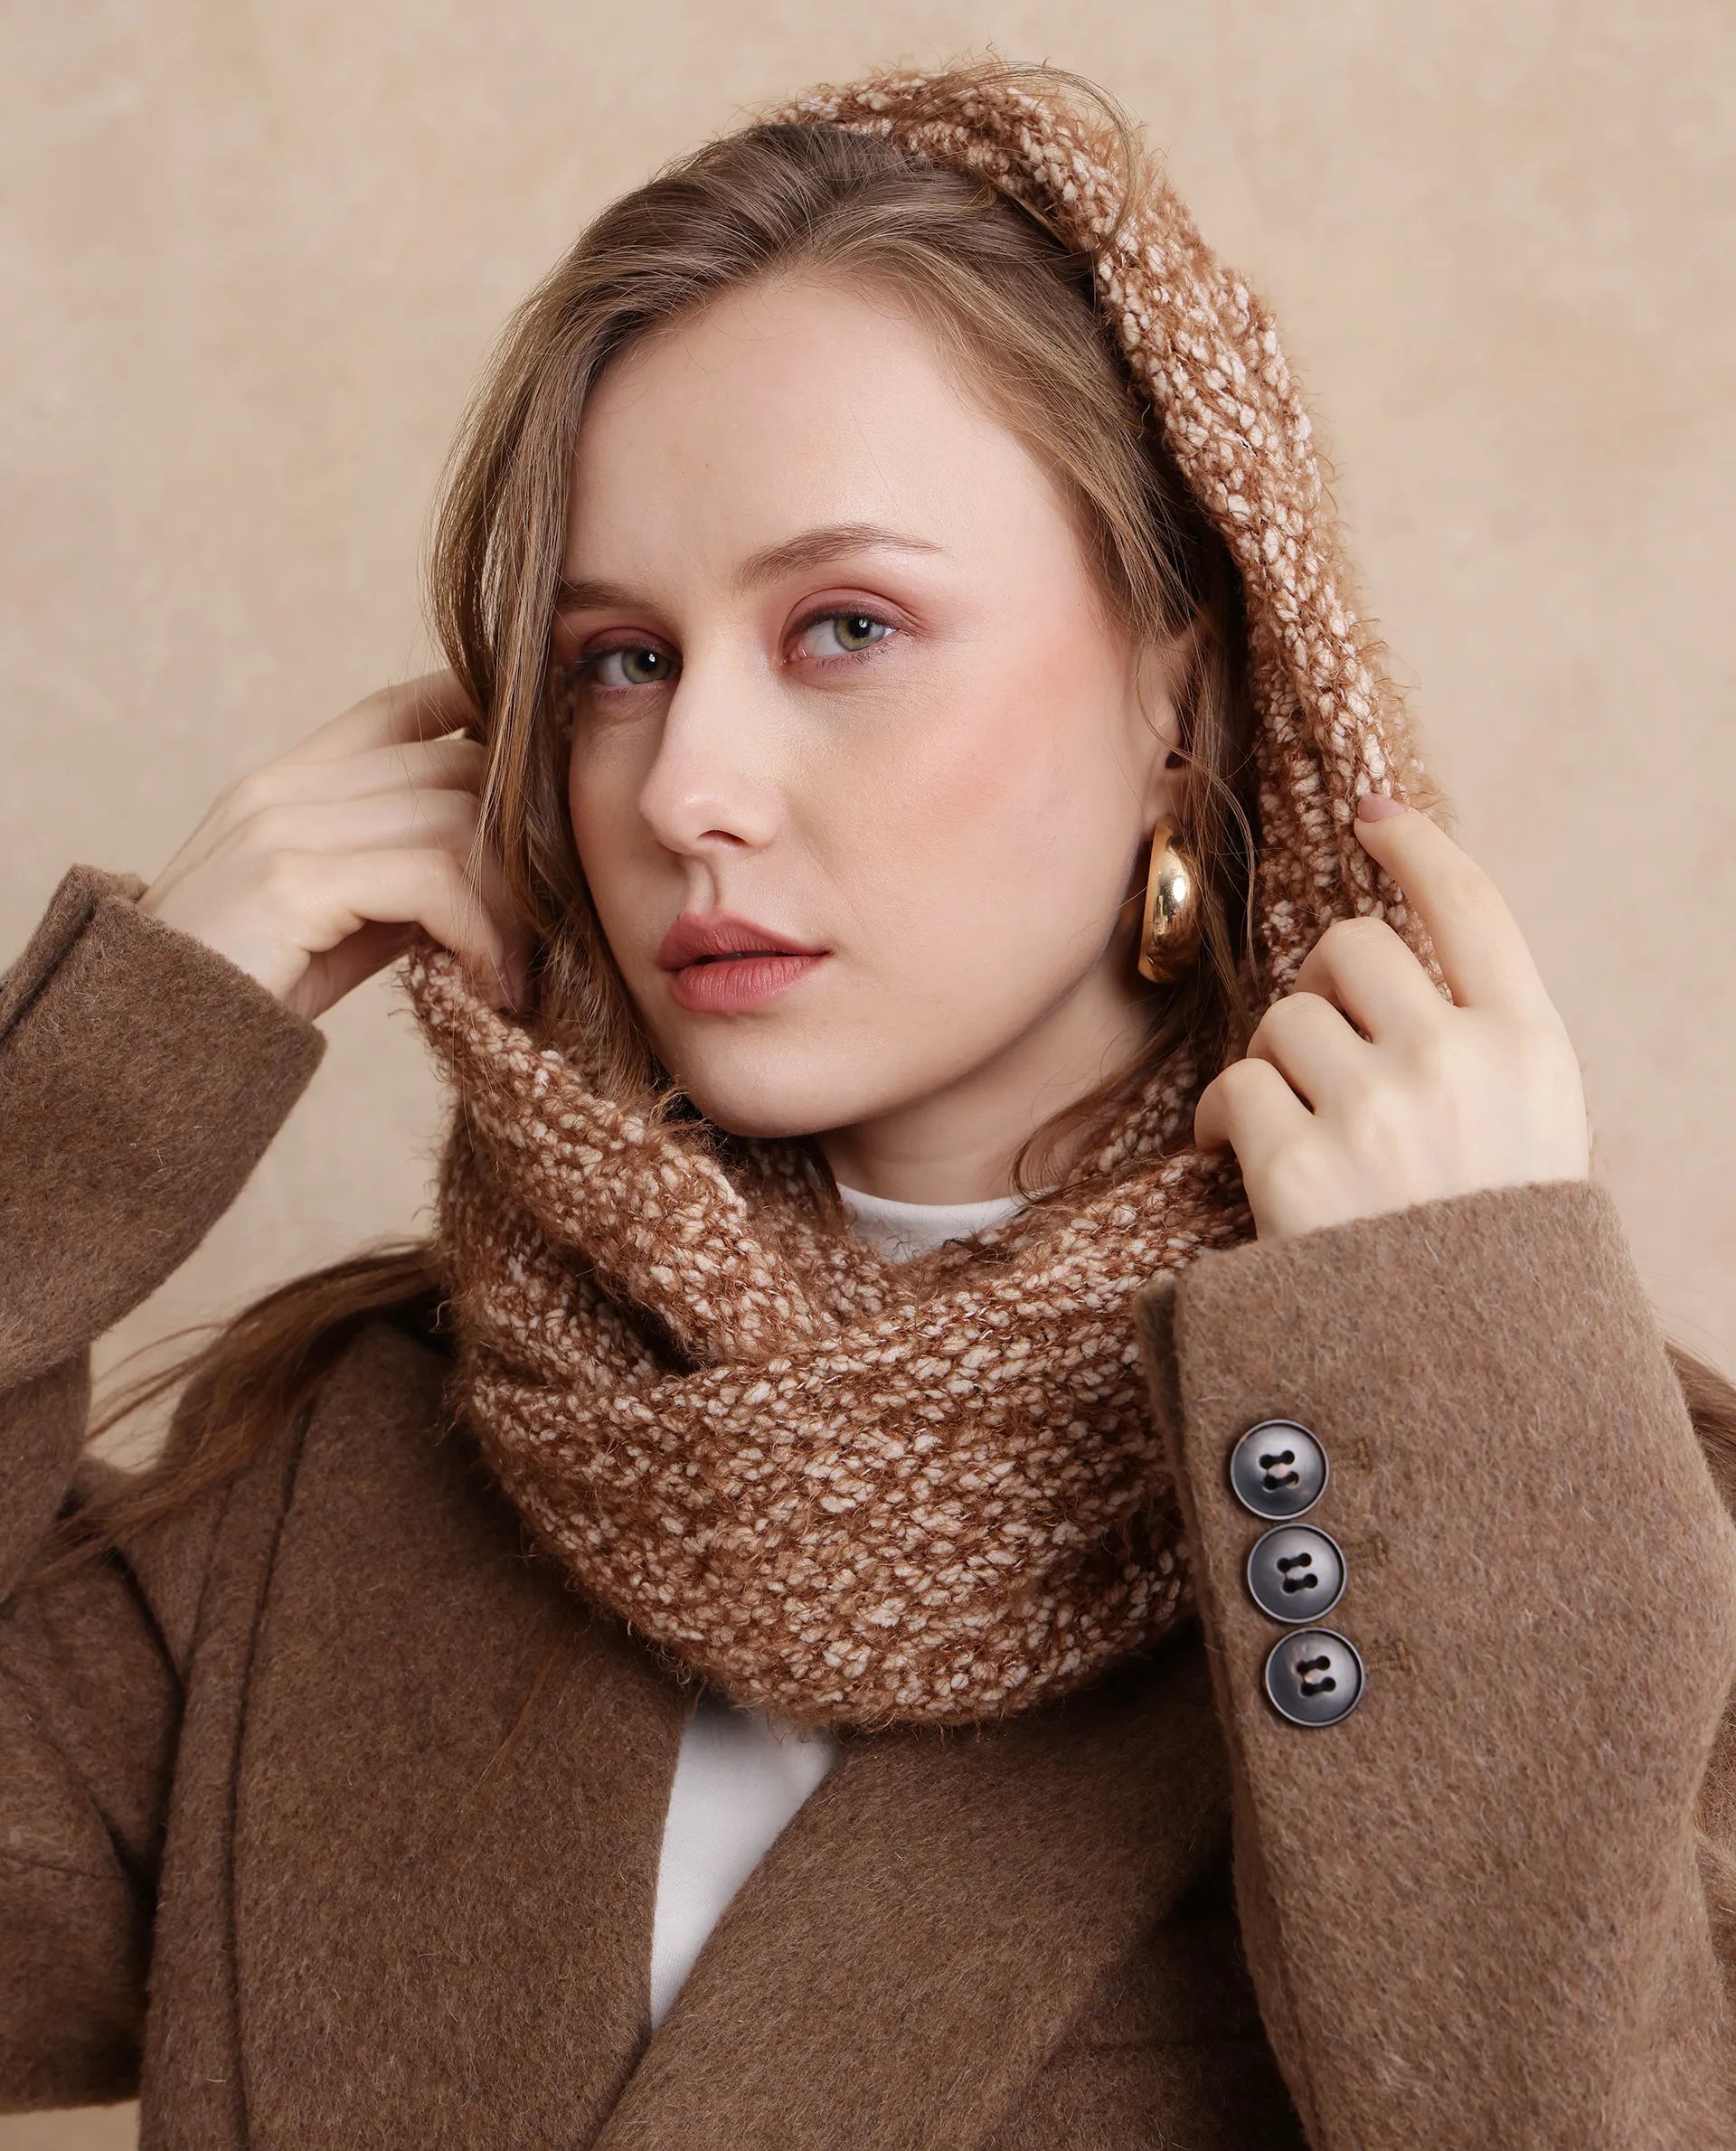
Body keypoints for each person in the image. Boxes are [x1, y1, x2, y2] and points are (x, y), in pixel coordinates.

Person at [5, 51, 1735, 2150]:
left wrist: (1448, 1377)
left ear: (1180, 683)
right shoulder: (359, 1468)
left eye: (843, 625)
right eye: (619, 660)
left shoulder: (1555, 1492)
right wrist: (88, 1113)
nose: (684, 788)